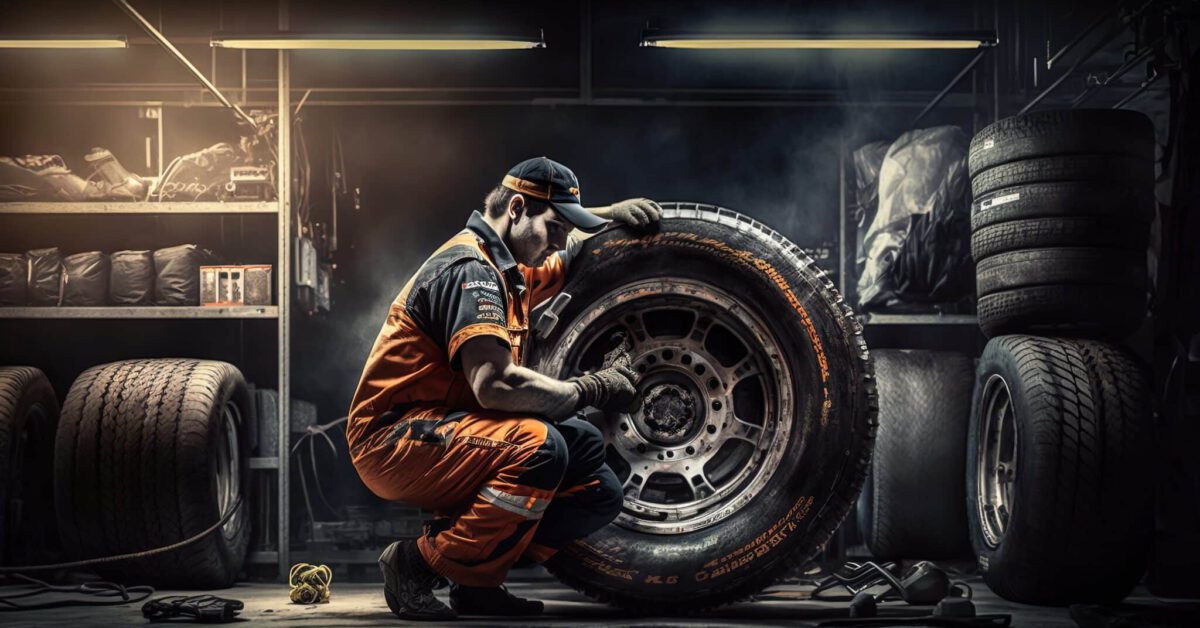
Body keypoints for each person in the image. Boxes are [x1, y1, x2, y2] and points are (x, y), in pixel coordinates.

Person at [346, 157, 662, 620]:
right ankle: (416, 564)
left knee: (596, 481)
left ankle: (476, 581)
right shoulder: (471, 271)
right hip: (395, 437)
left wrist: (611, 214)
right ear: (515, 209)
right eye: (554, 227)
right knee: (541, 448)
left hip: (450, 429)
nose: (559, 242)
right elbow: (494, 386)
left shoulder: (513, 265)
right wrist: (592, 388)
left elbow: (570, 242)